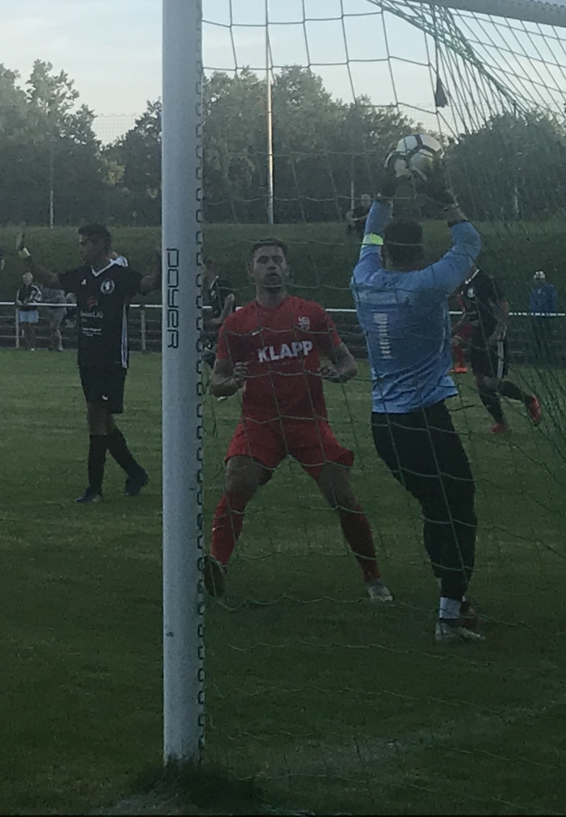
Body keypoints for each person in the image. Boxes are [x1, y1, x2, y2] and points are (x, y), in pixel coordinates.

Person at [206, 238, 392, 603]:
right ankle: (216, 566)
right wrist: (234, 382)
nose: (271, 266)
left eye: (277, 260)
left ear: (287, 268)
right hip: (260, 421)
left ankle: (373, 577)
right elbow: (217, 382)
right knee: (238, 480)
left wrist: (339, 373)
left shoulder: (312, 313)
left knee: (341, 495)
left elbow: (348, 362)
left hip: (307, 421)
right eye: (263, 260)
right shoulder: (237, 324)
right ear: (251, 270)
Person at [351, 157, 484, 644]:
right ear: (422, 251)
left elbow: (368, 238)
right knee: (458, 506)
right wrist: (446, 200)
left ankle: (453, 601)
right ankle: (450, 613)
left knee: (434, 505)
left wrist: (383, 195)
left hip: (383, 424)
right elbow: (469, 244)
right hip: (425, 420)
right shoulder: (427, 285)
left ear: (385, 252)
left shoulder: (363, 280)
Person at [22, 223, 153, 503]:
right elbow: (52, 280)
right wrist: (26, 256)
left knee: (95, 417)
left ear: (100, 244)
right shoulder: (83, 275)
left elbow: (147, 284)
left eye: (85, 244)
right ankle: (136, 473)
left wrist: (162, 260)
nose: (81, 249)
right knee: (105, 421)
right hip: (88, 358)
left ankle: (94, 489)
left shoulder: (119, 275)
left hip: (111, 359)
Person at [457, 264, 542, 432]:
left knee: (491, 381)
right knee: (480, 382)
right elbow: (469, 313)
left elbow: (503, 304)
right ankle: (501, 423)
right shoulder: (464, 285)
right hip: (478, 336)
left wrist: (499, 330)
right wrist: (454, 331)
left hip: (491, 334)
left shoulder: (485, 281)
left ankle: (529, 401)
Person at [14, 271, 42, 349]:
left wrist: (31, 302)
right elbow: (18, 298)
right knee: (24, 327)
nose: (26, 280)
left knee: (31, 327)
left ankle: (32, 345)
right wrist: (19, 302)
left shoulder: (34, 288)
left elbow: (38, 298)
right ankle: (26, 345)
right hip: (23, 310)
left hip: (31, 311)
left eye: (27, 279)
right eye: (25, 279)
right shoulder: (21, 289)